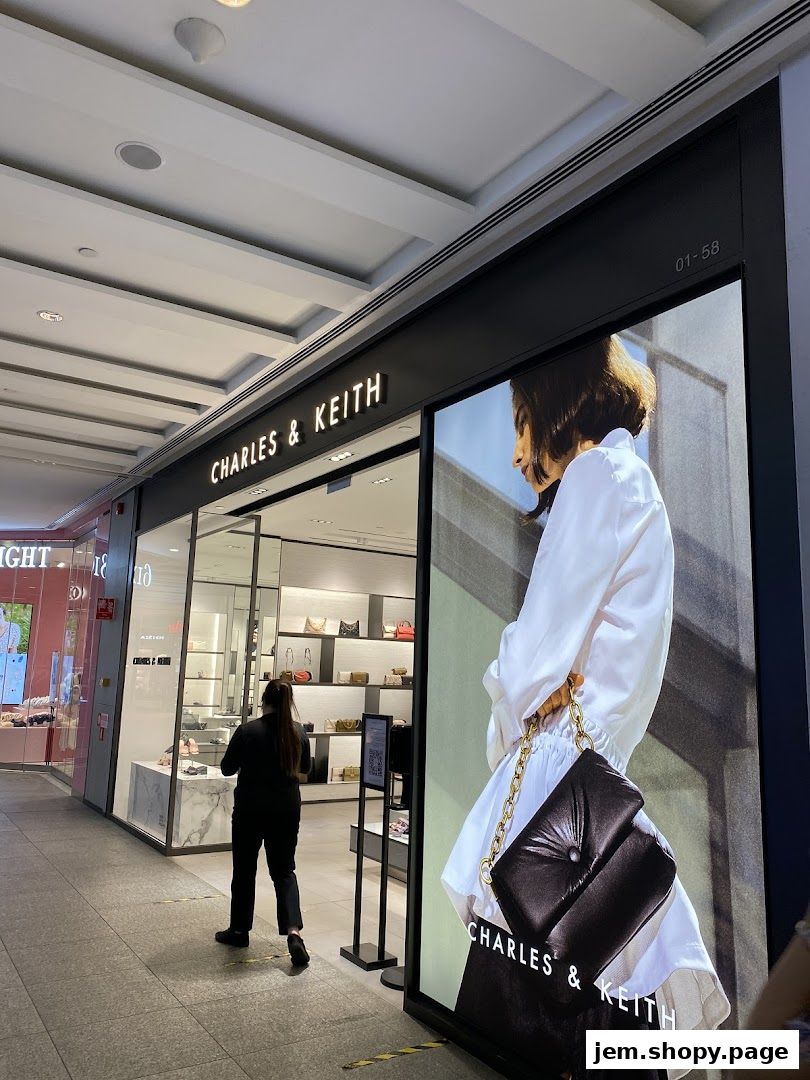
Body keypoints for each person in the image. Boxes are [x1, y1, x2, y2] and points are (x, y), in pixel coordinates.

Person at [441, 336, 729, 1080]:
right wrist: (540, 683)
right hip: (592, 800)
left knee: (515, 1034)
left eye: (520, 422)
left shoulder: (598, 474)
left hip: (554, 807)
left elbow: (529, 662)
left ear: (557, 400)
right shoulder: (634, 482)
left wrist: (518, 694)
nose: (516, 454)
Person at [215, 678, 312, 967]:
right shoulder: (298, 731)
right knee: (284, 870)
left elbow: (226, 768)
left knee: (244, 869)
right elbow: (305, 768)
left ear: (264, 700)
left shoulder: (248, 731)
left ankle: (239, 930)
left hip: (250, 809)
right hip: (287, 809)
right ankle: (293, 932)